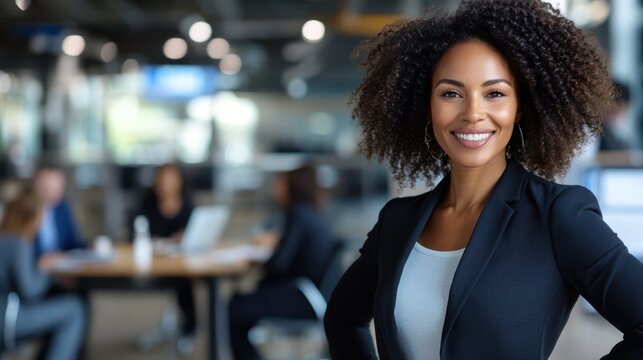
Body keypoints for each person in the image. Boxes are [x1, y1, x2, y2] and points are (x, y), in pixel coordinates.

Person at [323, 1, 643, 359]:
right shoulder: (398, 220)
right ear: (426, 104)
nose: (473, 112)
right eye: (450, 93)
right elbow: (341, 317)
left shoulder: (558, 215)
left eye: (495, 93)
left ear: (519, 106)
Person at [229, 164, 334, 360]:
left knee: (234, 308)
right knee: (241, 302)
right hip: (313, 294)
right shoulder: (311, 213)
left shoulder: (298, 214)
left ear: (292, 187)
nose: (274, 190)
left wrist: (259, 259)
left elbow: (278, 264)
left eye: (279, 184)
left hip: (303, 297)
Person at [0, 191, 86, 360]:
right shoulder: (18, 243)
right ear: (31, 217)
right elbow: (31, 291)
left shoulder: (4, 239)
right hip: (8, 319)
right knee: (74, 308)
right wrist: (43, 268)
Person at [136, 164, 196, 352]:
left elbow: (195, 232)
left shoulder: (187, 204)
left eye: (171, 179)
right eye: (162, 179)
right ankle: (183, 327)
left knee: (183, 280)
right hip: (151, 264)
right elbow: (135, 234)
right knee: (181, 281)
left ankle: (189, 329)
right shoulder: (147, 204)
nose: (165, 184)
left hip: (181, 264)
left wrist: (186, 237)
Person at [31, 163, 85, 257]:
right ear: (35, 186)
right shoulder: (22, 211)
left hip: (62, 268)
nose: (53, 195)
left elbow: (73, 242)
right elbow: (17, 249)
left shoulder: (62, 208)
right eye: (47, 189)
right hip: (34, 267)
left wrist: (91, 249)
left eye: (57, 189)